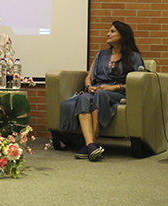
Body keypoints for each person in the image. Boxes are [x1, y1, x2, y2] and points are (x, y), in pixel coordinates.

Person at [59, 21, 144, 161]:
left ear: (123, 36)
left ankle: (90, 145)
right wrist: (88, 87)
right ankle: (91, 144)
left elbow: (138, 83)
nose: (107, 34)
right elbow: (89, 77)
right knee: (84, 97)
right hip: (98, 90)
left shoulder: (134, 57)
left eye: (112, 31)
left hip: (119, 92)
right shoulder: (101, 55)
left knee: (101, 93)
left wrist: (114, 87)